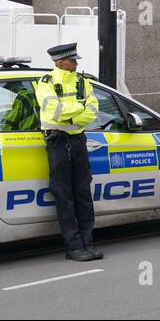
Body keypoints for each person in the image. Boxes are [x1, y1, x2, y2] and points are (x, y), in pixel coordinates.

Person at [35, 43, 103, 261]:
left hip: (79, 142)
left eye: (75, 61)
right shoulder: (46, 83)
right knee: (64, 195)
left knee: (83, 193)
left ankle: (87, 243)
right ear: (60, 62)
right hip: (57, 143)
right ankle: (73, 247)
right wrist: (78, 111)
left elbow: (93, 111)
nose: (76, 64)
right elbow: (54, 112)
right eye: (72, 60)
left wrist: (72, 115)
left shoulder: (83, 82)